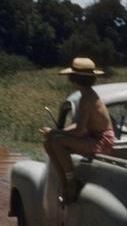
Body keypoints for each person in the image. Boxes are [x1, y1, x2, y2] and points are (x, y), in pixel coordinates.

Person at [40, 57, 115, 202]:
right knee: (50, 142)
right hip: (94, 136)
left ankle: (71, 182)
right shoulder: (87, 95)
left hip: (101, 140)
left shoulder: (86, 98)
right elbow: (79, 125)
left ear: (74, 79)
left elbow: (80, 131)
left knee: (57, 141)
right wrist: (57, 132)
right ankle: (65, 183)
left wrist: (56, 132)